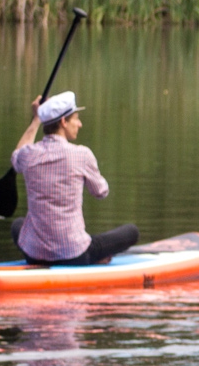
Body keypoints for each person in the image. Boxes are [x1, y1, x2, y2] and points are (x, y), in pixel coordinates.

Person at [10, 91, 139, 265]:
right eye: (76, 119)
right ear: (63, 122)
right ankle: (95, 258)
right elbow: (101, 192)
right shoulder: (82, 154)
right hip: (74, 255)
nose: (80, 124)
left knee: (17, 225)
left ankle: (52, 253)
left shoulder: (28, 155)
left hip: (34, 255)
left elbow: (16, 157)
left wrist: (36, 120)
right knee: (132, 232)